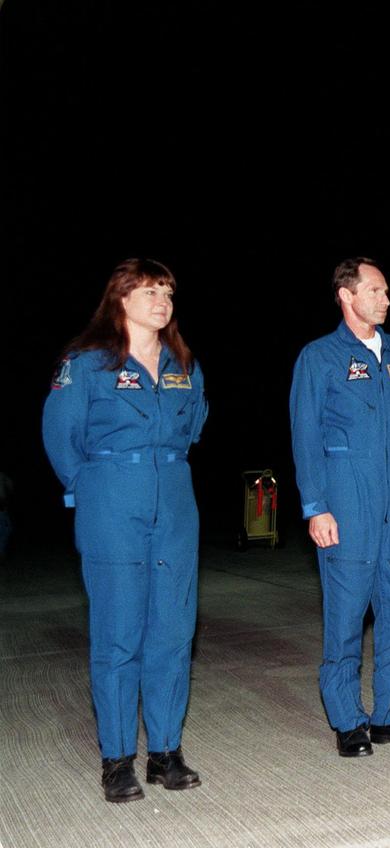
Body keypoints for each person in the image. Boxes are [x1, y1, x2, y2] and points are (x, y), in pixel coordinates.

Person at [42, 258, 209, 803]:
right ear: (120, 299)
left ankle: (165, 752)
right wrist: (89, 491)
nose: (161, 300)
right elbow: (60, 434)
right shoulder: (87, 363)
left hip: (176, 501)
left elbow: (196, 425)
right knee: (119, 636)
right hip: (112, 498)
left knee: (173, 631)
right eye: (147, 291)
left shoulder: (184, 363)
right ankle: (117, 760)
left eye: (167, 291)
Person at [289, 257, 390, 757]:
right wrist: (316, 506)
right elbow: (306, 436)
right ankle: (348, 720)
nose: (386, 299)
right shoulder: (319, 357)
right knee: (347, 615)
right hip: (347, 501)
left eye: (386, 291)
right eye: (375, 290)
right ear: (346, 295)